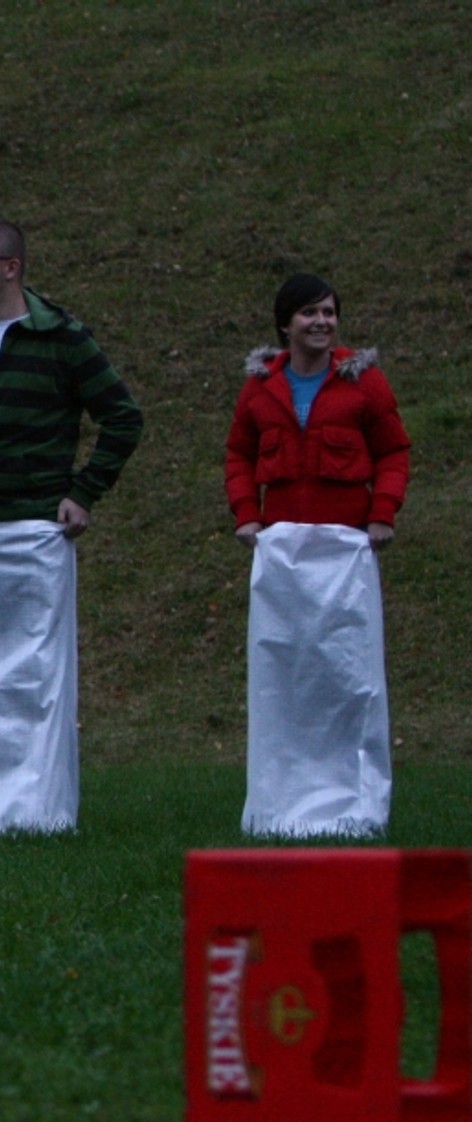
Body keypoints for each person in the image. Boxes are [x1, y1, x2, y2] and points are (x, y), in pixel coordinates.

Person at [0, 217, 143, 834]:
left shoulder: (60, 337)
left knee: (34, 682)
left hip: (33, 529)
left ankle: (38, 817)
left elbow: (122, 416)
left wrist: (83, 493)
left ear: (11, 268)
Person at [224, 274, 410, 837]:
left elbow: (394, 450)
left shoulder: (363, 382)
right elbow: (238, 454)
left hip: (345, 555)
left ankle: (353, 805)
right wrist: (246, 514)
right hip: (282, 559)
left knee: (349, 678)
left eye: (329, 312)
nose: (322, 322)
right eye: (309, 313)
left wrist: (382, 512)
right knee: (285, 677)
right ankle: (280, 804)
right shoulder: (261, 388)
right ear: (285, 324)